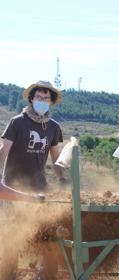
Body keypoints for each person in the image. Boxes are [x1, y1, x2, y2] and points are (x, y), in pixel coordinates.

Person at [0, 80, 66, 280]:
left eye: (47, 98)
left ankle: (47, 275)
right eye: (39, 97)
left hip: (40, 189)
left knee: (48, 234)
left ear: (51, 102)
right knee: (13, 234)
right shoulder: (17, 122)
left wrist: (63, 177)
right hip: (13, 188)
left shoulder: (53, 127)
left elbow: (56, 159)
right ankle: (8, 275)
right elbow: (4, 151)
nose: (43, 101)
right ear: (32, 99)